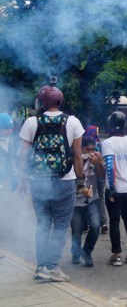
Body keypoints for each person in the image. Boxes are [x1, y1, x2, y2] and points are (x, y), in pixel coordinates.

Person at [17, 85, 84, 282]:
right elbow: (78, 155)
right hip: (65, 182)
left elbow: (23, 156)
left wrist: (22, 181)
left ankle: (40, 266)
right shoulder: (72, 122)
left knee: (42, 225)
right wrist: (81, 181)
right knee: (61, 226)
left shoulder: (31, 122)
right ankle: (52, 267)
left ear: (42, 102)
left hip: (39, 182)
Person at [100, 111, 127, 266]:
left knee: (114, 220)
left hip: (116, 188)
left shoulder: (108, 143)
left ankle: (116, 255)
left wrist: (112, 188)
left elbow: (109, 166)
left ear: (110, 125)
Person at [69, 136, 104, 267]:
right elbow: (70, 181)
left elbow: (102, 177)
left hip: (92, 199)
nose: (90, 152)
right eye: (87, 149)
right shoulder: (73, 160)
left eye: (92, 149)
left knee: (95, 226)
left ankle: (87, 252)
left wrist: (98, 163)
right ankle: (75, 253)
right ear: (80, 149)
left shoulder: (96, 158)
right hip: (75, 201)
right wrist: (82, 189)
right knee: (76, 230)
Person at [84, 125, 108, 234]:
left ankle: (88, 222)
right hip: (98, 176)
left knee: (89, 197)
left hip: (93, 176)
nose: (91, 151)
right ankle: (103, 222)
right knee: (100, 199)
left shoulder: (86, 145)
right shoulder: (99, 144)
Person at [0, 113, 17, 191]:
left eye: (11, 128)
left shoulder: (10, 142)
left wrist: (15, 175)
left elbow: (12, 159)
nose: (10, 131)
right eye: (7, 129)